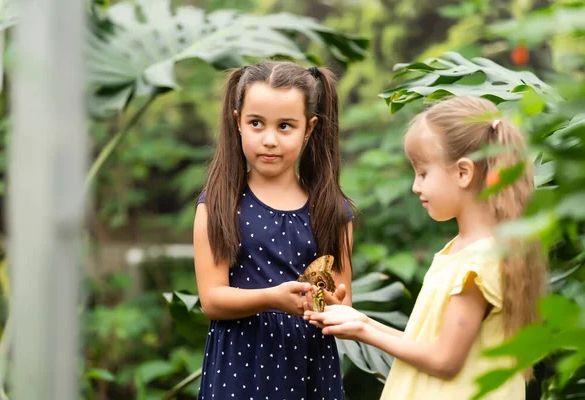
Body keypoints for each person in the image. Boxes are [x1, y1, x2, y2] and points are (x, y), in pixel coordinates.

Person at [305, 96, 547, 399]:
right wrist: (361, 321)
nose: (415, 187)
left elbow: (445, 361)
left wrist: (363, 332)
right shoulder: (462, 250)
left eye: (423, 173)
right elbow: (426, 345)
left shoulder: (479, 262)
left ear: (463, 173)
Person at [193, 60, 355, 400]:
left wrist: (331, 303)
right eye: (256, 123)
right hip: (239, 368)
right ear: (237, 121)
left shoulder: (330, 210)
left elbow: (342, 297)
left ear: (309, 128)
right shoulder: (219, 204)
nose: (269, 140)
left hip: (310, 367)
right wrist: (272, 299)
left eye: (285, 126)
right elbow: (212, 299)